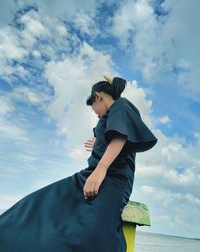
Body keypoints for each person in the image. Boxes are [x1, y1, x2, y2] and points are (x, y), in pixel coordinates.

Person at [0, 75, 158, 252]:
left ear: (98, 96)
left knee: (93, 230)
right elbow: (112, 136)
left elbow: (120, 137)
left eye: (94, 109)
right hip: (90, 174)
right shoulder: (110, 116)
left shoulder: (120, 105)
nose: (97, 114)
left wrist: (101, 169)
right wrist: (99, 142)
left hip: (111, 179)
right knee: (40, 203)